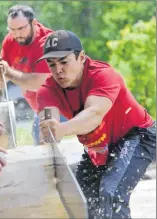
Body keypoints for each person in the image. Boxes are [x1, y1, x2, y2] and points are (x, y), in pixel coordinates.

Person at [36, 30, 156, 219]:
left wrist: (63, 129)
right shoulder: (46, 91)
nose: (58, 70)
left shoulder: (103, 75)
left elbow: (94, 114)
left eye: (64, 62)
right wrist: (50, 131)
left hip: (137, 136)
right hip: (99, 146)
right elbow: (49, 126)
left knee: (112, 194)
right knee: (81, 200)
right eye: (51, 64)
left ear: (81, 57)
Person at [0, 4, 53, 145]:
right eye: (12, 29)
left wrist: (9, 73)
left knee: (47, 140)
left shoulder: (48, 42)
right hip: (39, 108)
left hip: (61, 105)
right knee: (41, 147)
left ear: (34, 23)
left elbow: (41, 83)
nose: (16, 34)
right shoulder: (10, 40)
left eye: (21, 29)